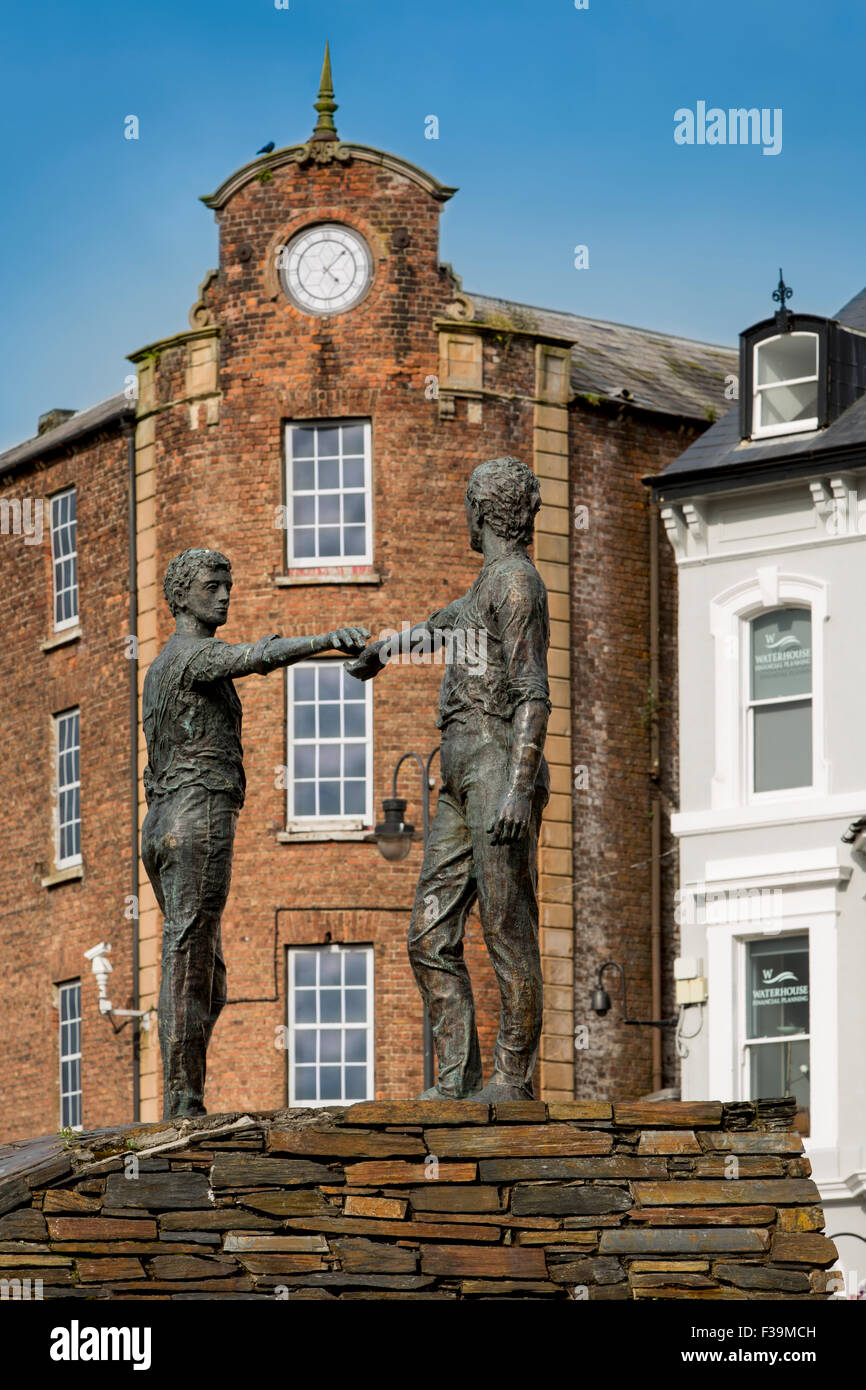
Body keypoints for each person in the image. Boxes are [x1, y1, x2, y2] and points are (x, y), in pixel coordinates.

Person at [348, 457, 550, 1102]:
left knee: (506, 926)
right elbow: (436, 630)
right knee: (430, 934)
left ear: (481, 510)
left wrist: (519, 784)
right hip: (461, 774)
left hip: (498, 766)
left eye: (465, 504)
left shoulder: (517, 585)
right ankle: (456, 1080)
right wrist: (383, 650)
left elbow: (533, 695)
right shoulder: (479, 593)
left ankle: (512, 1079)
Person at [141, 547, 368, 1118]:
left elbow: (152, 765)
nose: (224, 595)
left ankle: (183, 1090)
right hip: (199, 817)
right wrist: (326, 639)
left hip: (164, 822)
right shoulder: (192, 657)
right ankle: (181, 1100)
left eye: (229, 584)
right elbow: (256, 657)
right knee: (188, 958)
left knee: (205, 968)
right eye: (212, 586)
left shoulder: (159, 667)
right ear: (182, 595)